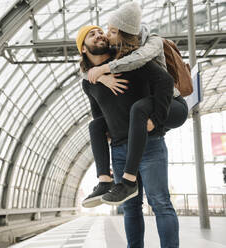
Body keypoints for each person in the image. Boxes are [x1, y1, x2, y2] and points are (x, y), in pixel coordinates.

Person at [76, 3, 179, 248]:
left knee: (160, 203)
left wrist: (158, 120)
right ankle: (104, 181)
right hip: (120, 150)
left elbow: (163, 82)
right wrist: (99, 75)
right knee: (130, 209)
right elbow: (98, 116)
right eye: (93, 34)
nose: (101, 34)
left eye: (102, 32)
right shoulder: (89, 83)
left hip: (150, 144)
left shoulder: (128, 60)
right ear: (83, 48)